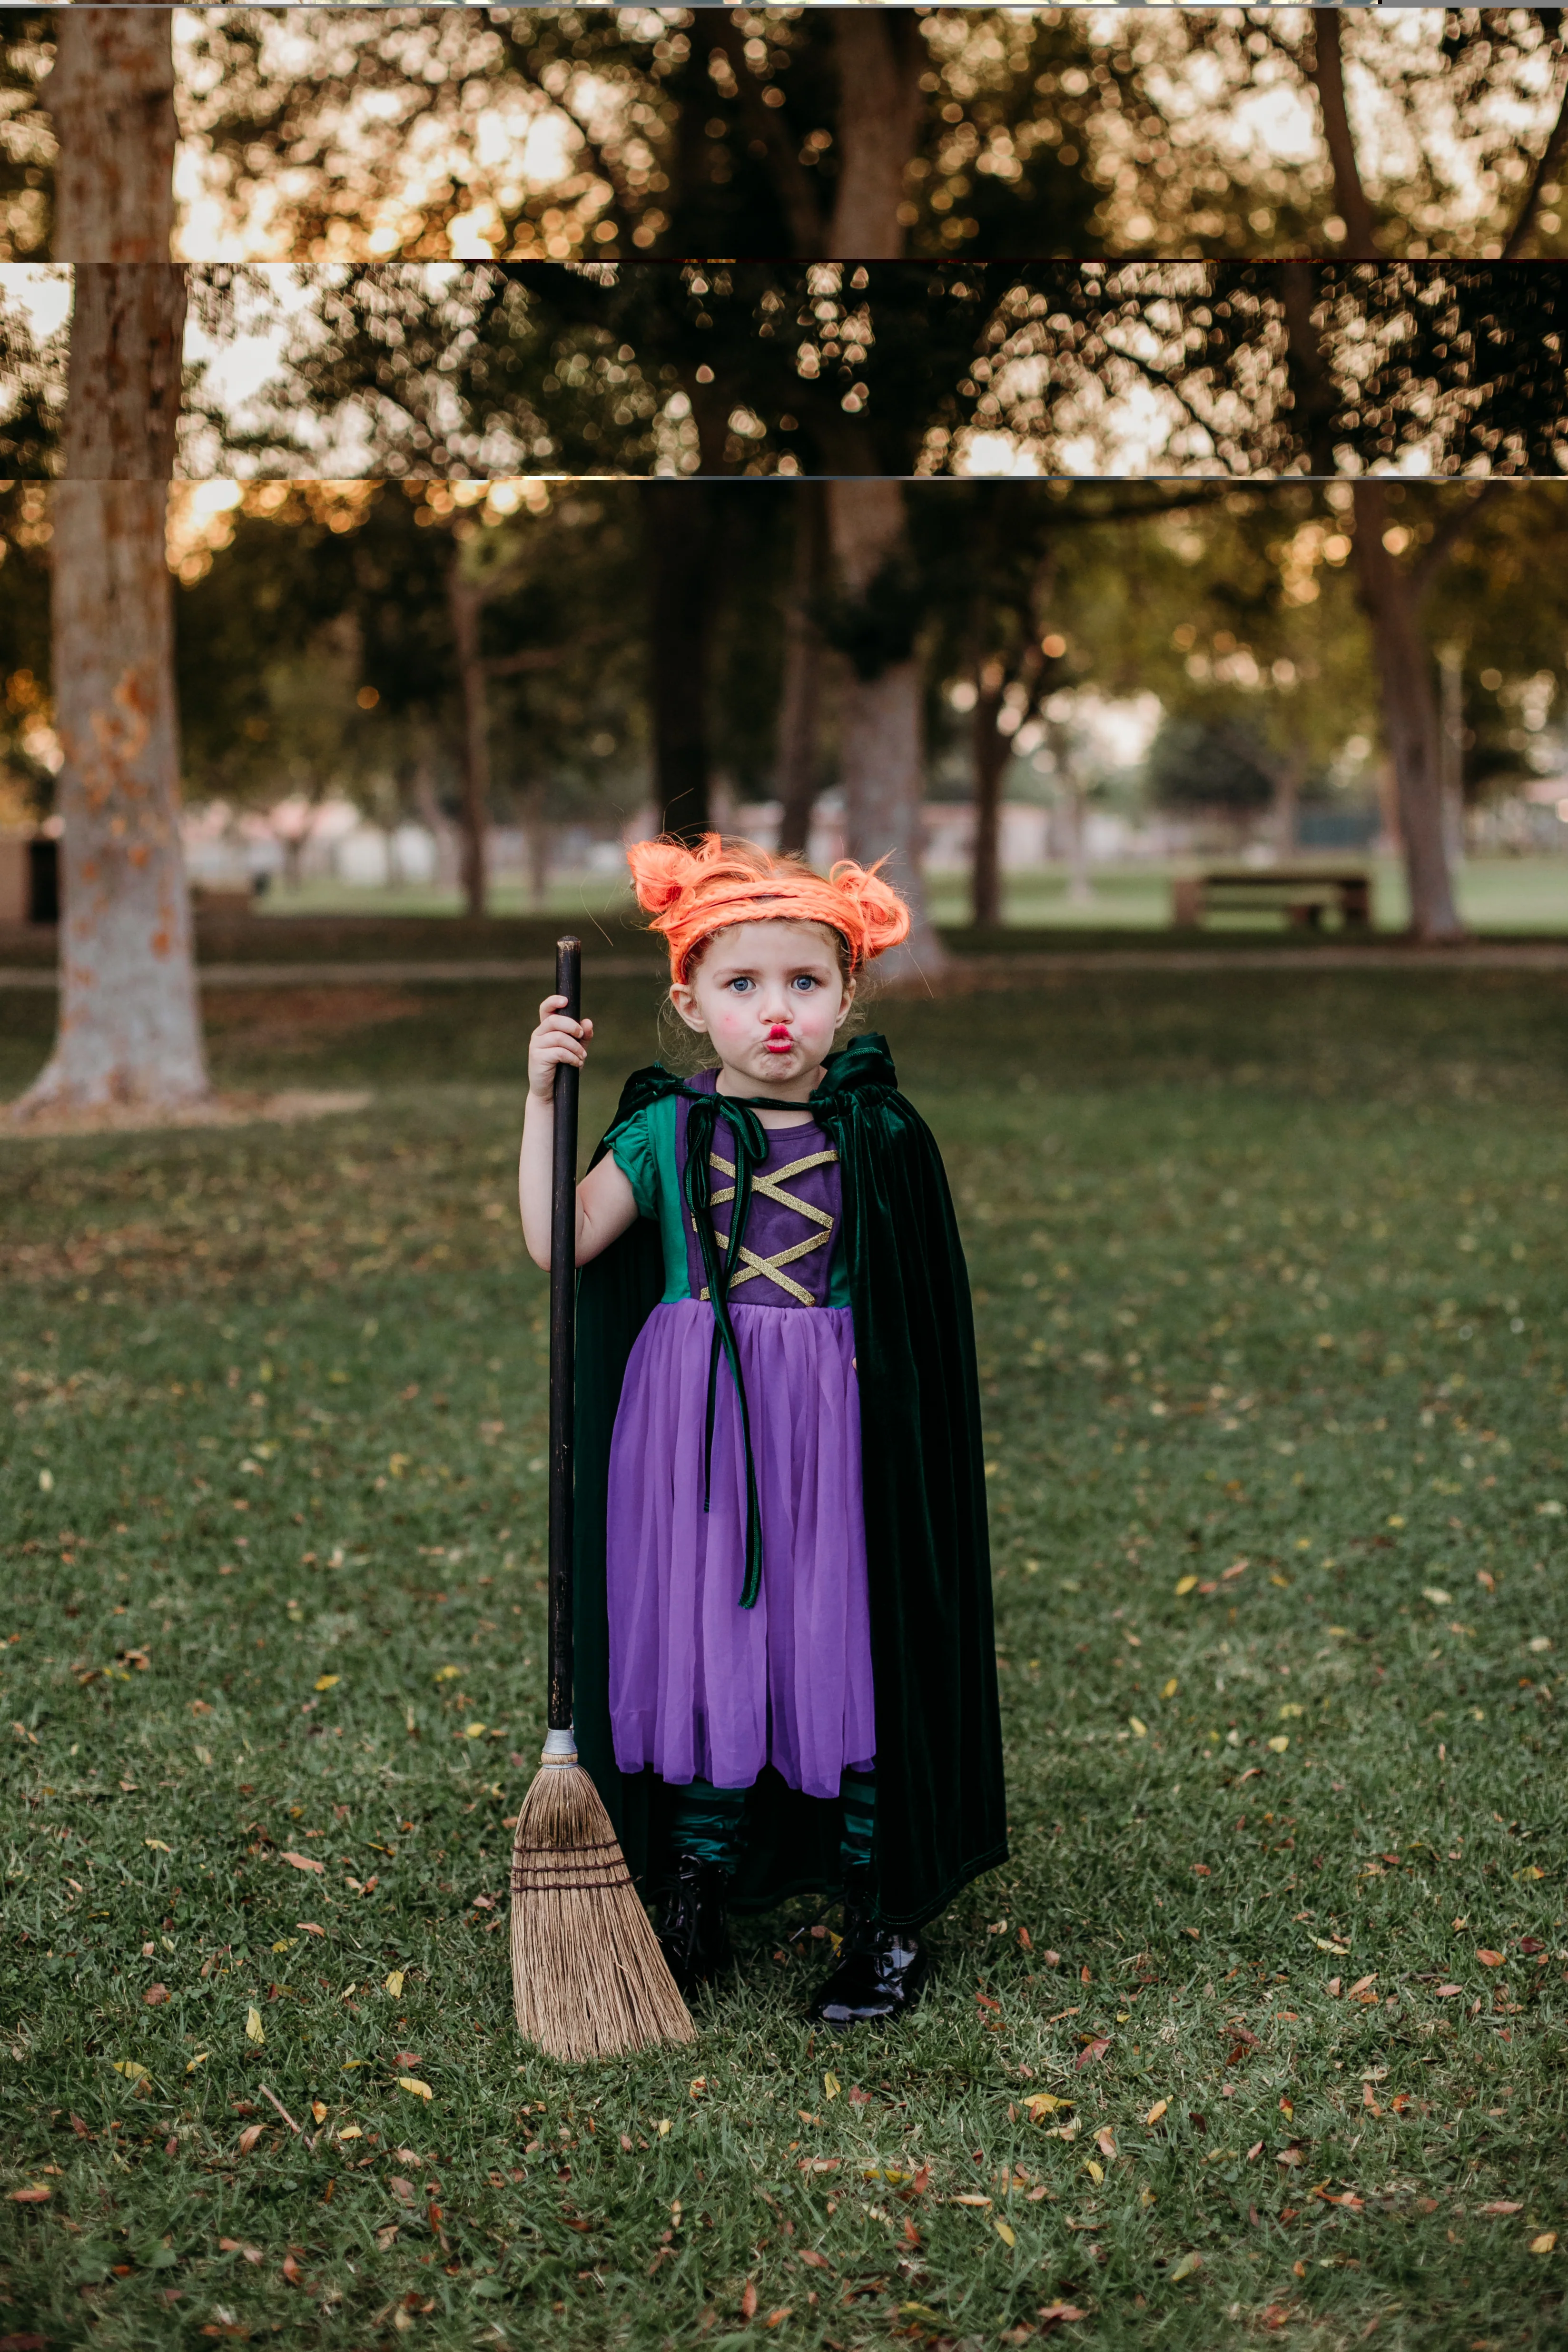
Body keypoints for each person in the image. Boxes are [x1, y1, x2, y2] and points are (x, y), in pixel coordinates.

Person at [519, 836, 1005, 2027]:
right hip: (698, 1428)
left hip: (841, 1428)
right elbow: (559, 1241)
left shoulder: (880, 1139)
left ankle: (881, 1913)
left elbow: (918, 1322)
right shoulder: (664, 1132)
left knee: (846, 1644)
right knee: (710, 1645)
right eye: (743, 985)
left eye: (805, 982)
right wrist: (542, 1100)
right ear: (688, 1002)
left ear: (847, 996)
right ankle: (691, 1890)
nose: (775, 1012)